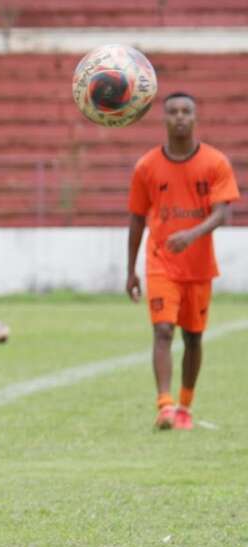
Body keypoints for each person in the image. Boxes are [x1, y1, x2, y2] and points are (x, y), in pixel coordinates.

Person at [126, 92, 239, 431]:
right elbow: (136, 218)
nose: (179, 117)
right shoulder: (147, 166)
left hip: (198, 267)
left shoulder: (215, 162)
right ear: (163, 118)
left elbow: (221, 213)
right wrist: (130, 270)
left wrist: (192, 234)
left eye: (186, 111)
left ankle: (185, 406)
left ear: (195, 117)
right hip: (161, 263)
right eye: (173, 111)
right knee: (163, 330)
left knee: (193, 337)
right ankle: (165, 406)